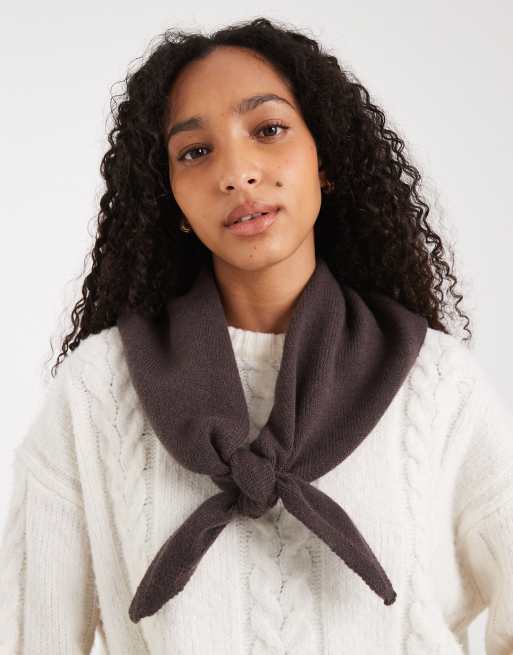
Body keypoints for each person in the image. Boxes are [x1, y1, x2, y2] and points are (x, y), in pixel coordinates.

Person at [1, 16, 512, 654]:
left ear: (325, 160)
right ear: (171, 198)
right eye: (195, 152)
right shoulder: (99, 391)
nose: (237, 172)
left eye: (268, 130)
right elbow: (31, 636)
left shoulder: (433, 382)